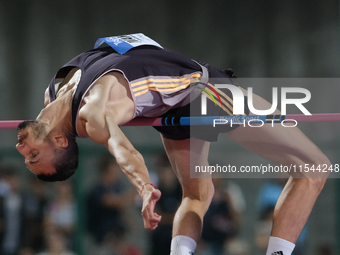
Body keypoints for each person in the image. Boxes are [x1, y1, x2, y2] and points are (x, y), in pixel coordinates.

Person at [15, 34, 330, 255]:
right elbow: (123, 149)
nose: (21, 151)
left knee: (196, 196)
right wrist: (143, 188)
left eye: (28, 158)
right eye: (33, 156)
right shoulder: (91, 113)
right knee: (315, 168)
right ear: (58, 140)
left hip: (174, 108)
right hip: (207, 93)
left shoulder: (54, 93)